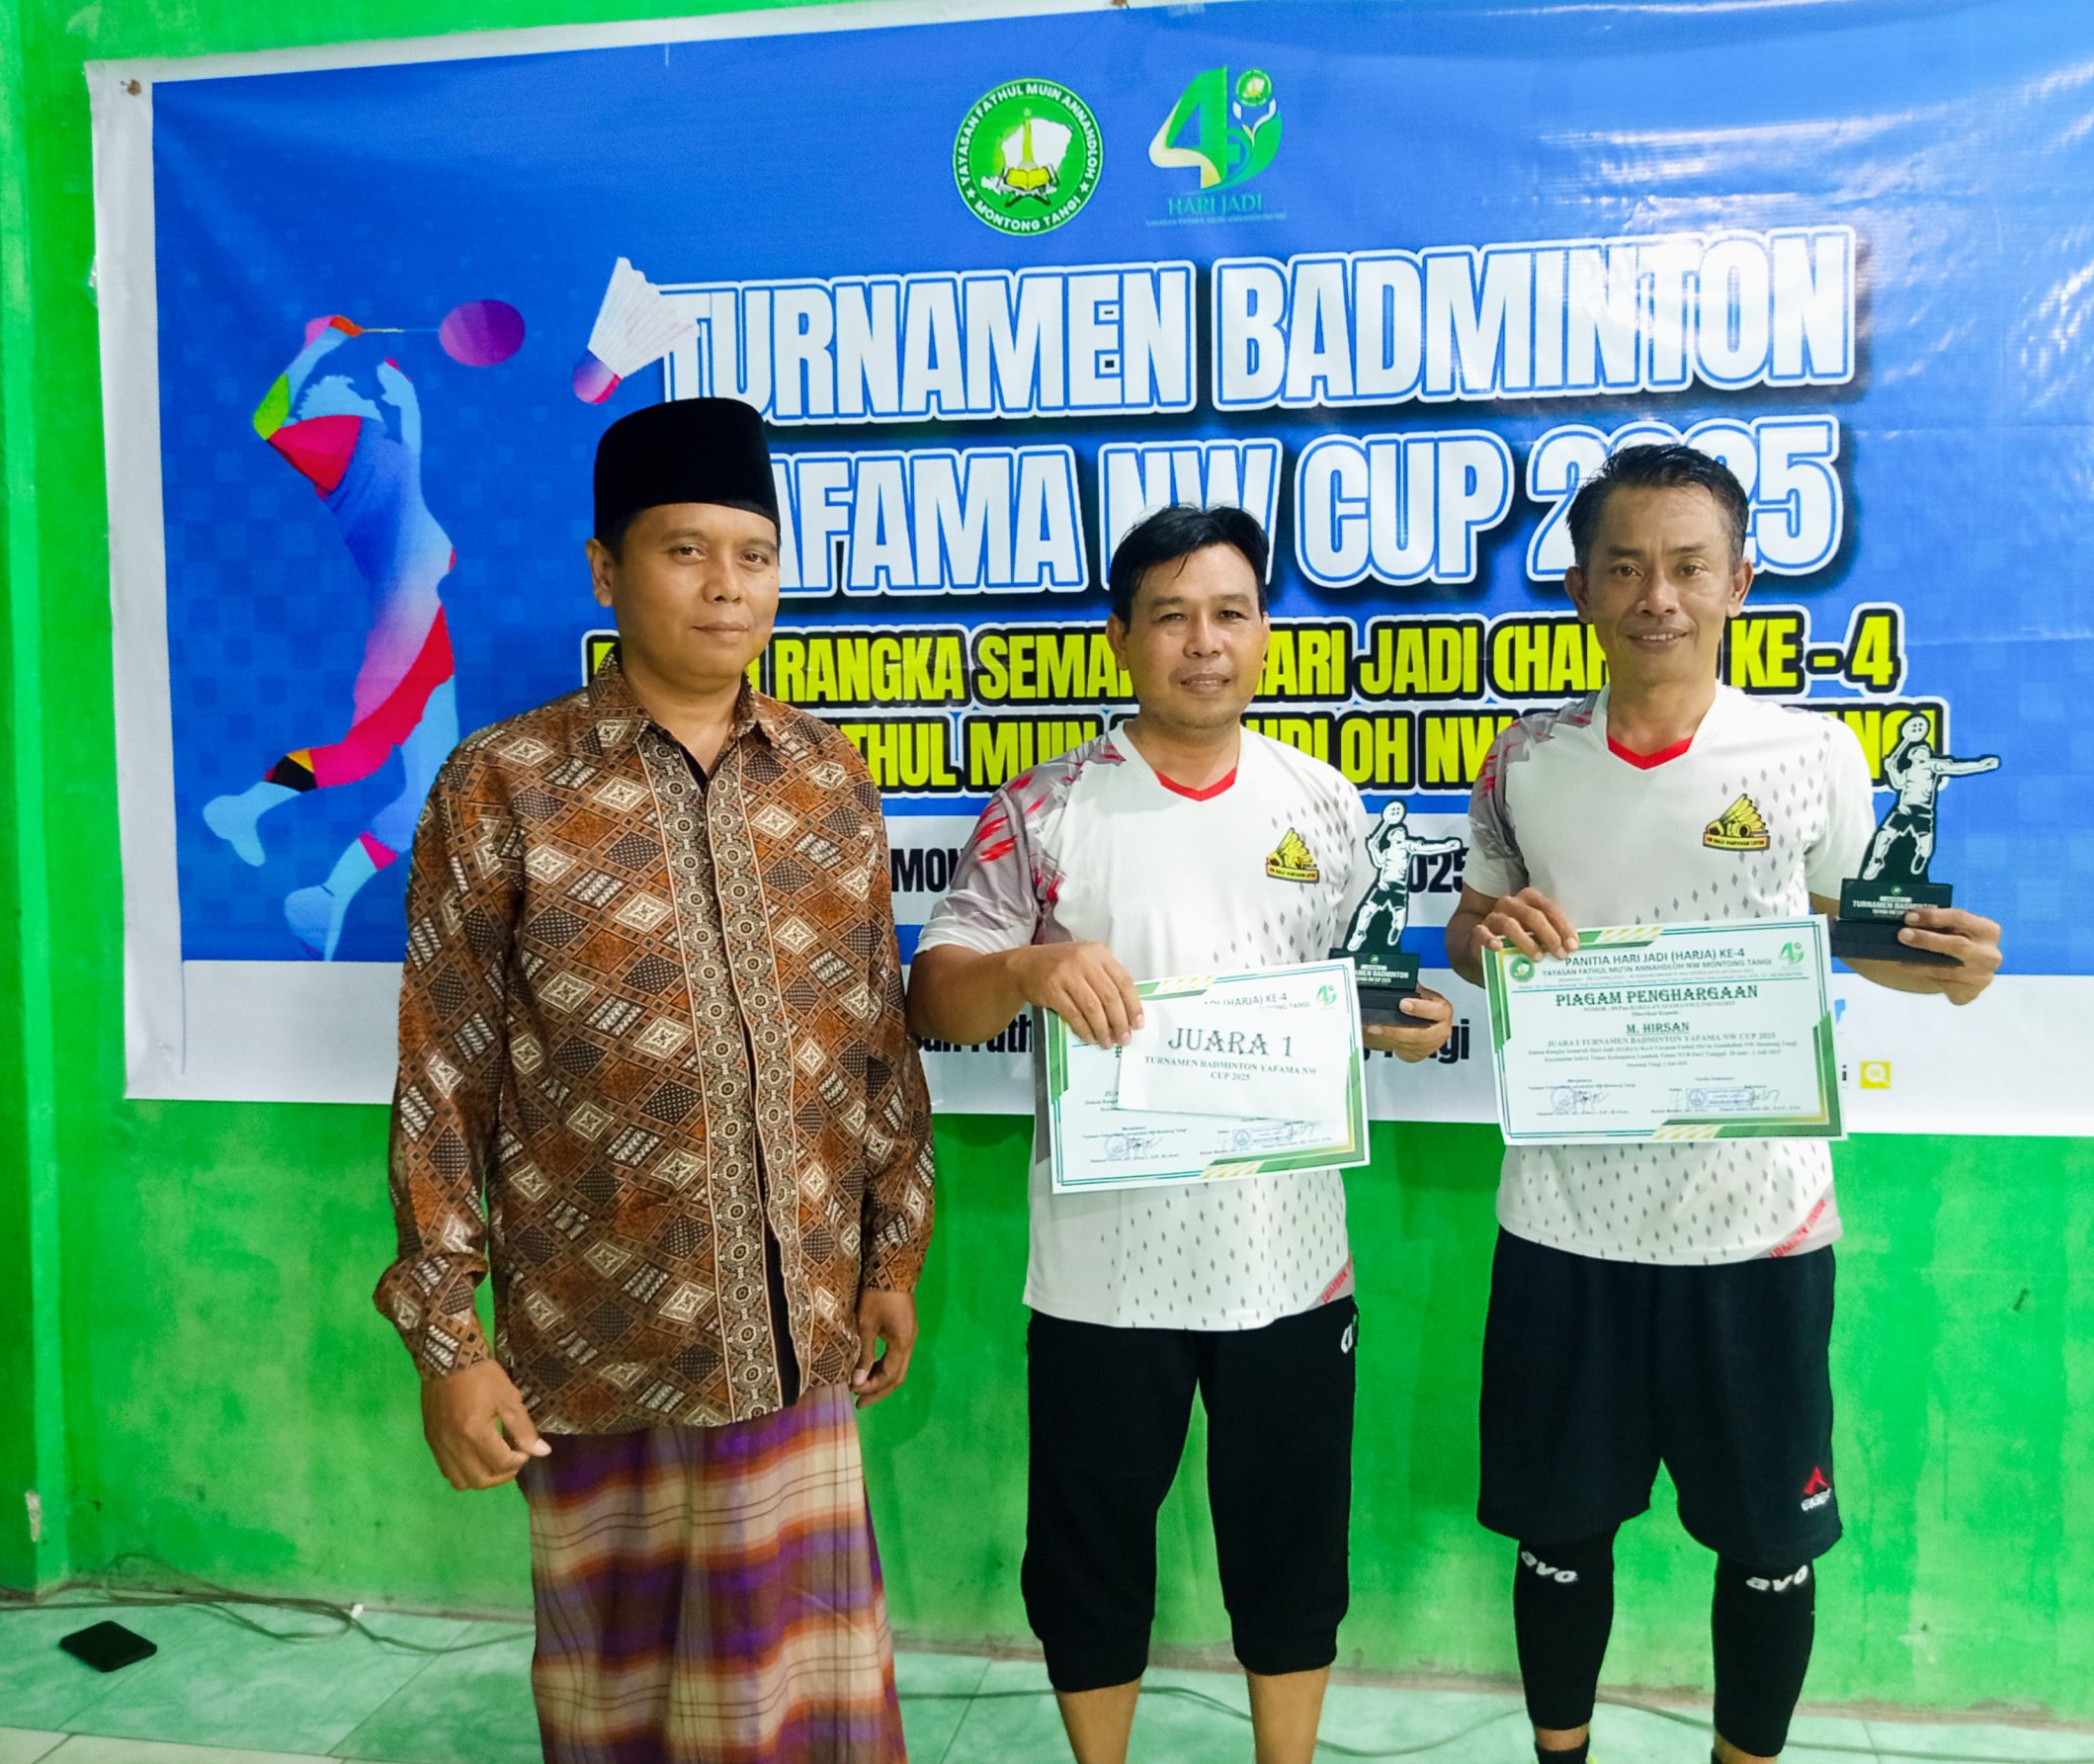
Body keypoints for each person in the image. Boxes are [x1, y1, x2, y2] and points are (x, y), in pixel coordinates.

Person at [372, 395, 934, 1763]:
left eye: (753, 555)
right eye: (685, 551)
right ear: (605, 571)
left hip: (799, 1335)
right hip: (601, 1343)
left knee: (800, 1703)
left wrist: (891, 1256)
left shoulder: (827, 777)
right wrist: (449, 1344)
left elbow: (874, 1036)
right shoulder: (503, 785)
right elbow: (441, 1079)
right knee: (625, 1708)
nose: (726, 587)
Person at [1443, 444, 2005, 1764]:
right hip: (1566, 1218)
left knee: (1766, 1544)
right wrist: (1488, 936)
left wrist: (1948, 970)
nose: (1659, 596)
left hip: (1756, 1226)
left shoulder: (1810, 752)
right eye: (1626, 566)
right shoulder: (1525, 757)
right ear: (1579, 587)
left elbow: (1863, 931)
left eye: (1689, 566)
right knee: (1559, 1533)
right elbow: (1471, 929)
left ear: (1740, 581)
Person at [904, 506, 1454, 1764]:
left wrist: (1401, 1027)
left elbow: (1362, 995)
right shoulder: (1045, 810)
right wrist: (1029, 968)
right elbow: (933, 999)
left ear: (1262, 633)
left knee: (1291, 1553)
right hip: (1101, 1272)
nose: (1204, 642)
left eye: (1230, 613)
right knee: (1088, 1559)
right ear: (1120, 637)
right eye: (1171, 616)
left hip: (1290, 1265)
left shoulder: (1323, 802)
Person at [204, 318, 460, 960]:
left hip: (429, 634)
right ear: (317, 408)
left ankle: (326, 896)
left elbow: (413, 485)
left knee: (426, 794)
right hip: (405, 633)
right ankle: (245, 807)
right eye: (341, 385)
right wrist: (319, 349)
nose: (355, 388)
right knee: (363, 756)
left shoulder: (379, 449)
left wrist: (409, 408)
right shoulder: (338, 441)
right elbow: (268, 420)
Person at [1861, 712, 1999, 881]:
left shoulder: (1932, 765)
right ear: (1912, 755)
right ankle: (1876, 861)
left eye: (1926, 750)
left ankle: (1922, 856)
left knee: (1925, 846)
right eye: (1921, 750)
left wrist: (1981, 765)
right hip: (1904, 809)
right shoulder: (1908, 771)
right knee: (1884, 835)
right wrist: (1891, 769)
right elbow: (1897, 784)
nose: (1925, 750)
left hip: (1923, 812)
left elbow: (1955, 768)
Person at [1342, 798, 1463, 953]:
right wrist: (1373, 849)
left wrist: (1446, 847)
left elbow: (1425, 849)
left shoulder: (1407, 846)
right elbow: (1378, 862)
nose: (1401, 834)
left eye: (1403, 832)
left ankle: (1397, 929)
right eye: (1398, 832)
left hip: (1398, 886)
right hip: (1384, 885)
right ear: (1391, 837)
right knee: (1367, 909)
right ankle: (1359, 933)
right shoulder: (1387, 851)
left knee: (1400, 917)